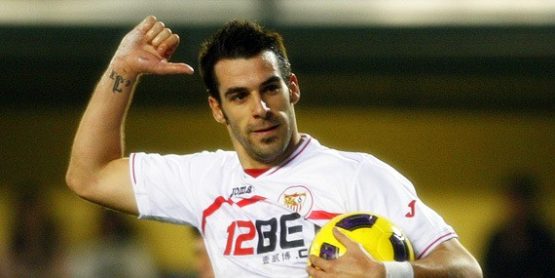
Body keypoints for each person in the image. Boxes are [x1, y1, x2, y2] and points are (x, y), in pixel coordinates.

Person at [66, 15, 482, 277]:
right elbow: (89, 176)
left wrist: (386, 273)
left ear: (293, 89)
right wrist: (121, 70)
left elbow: (464, 269)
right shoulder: (204, 180)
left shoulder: (359, 175)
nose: (260, 108)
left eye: (270, 89)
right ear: (217, 108)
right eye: (239, 96)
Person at [483, 172, 554, 277]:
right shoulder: (497, 239)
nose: (515, 208)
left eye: (519, 201)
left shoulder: (543, 240)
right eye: (512, 201)